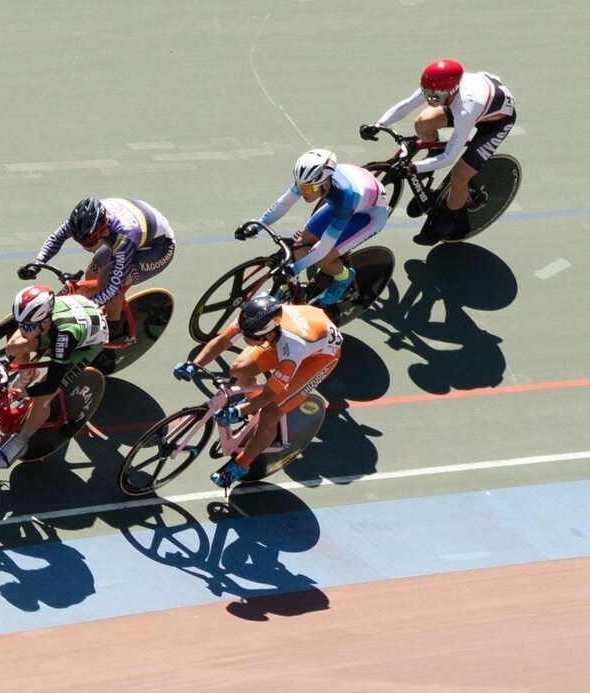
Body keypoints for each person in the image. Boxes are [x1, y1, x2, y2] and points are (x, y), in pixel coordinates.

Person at [173, 295, 342, 488]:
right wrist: (193, 365)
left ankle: (242, 464)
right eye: (244, 334)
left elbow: (268, 395)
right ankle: (252, 411)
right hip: (297, 331)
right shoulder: (252, 318)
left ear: (268, 334)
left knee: (271, 411)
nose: (244, 339)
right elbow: (221, 342)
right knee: (239, 369)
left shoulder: (293, 348)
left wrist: (238, 412)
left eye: (250, 338)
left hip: (319, 359)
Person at [362, 59, 516, 245]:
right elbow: (408, 104)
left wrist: (414, 167)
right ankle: (431, 157)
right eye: (427, 93)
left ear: (451, 91)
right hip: (474, 100)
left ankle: (448, 219)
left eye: (435, 97)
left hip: (496, 122)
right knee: (423, 122)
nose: (429, 99)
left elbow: (449, 157)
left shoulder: (465, 109)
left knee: (460, 175)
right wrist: (379, 124)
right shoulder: (438, 86)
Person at [0, 285, 108, 469]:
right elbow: (1, 328)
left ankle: (21, 442)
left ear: (44, 322)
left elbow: (51, 385)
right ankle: (27, 374)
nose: (21, 328)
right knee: (15, 344)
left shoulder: (64, 337)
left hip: (85, 344)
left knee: (42, 398)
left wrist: (19, 393)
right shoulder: (32, 314)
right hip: (67, 318)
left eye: (26, 326)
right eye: (20, 322)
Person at [237, 148, 390, 307]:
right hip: (357, 190)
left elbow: (323, 247)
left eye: (309, 189)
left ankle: (343, 277)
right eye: (300, 186)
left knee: (324, 258)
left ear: (324, 184)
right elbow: (285, 202)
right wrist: (257, 225)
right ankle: (286, 287)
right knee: (300, 243)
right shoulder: (309, 180)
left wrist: (293, 270)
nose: (304, 192)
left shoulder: (344, 200)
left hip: (369, 216)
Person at [20, 197, 174, 341]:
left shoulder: (125, 236)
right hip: (126, 232)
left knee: (107, 277)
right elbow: (56, 238)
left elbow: (114, 285)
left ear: (104, 231)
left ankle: (115, 326)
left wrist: (83, 307)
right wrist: (37, 264)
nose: (84, 247)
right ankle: (105, 311)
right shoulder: (83, 220)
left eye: (88, 243)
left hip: (157, 248)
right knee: (92, 272)